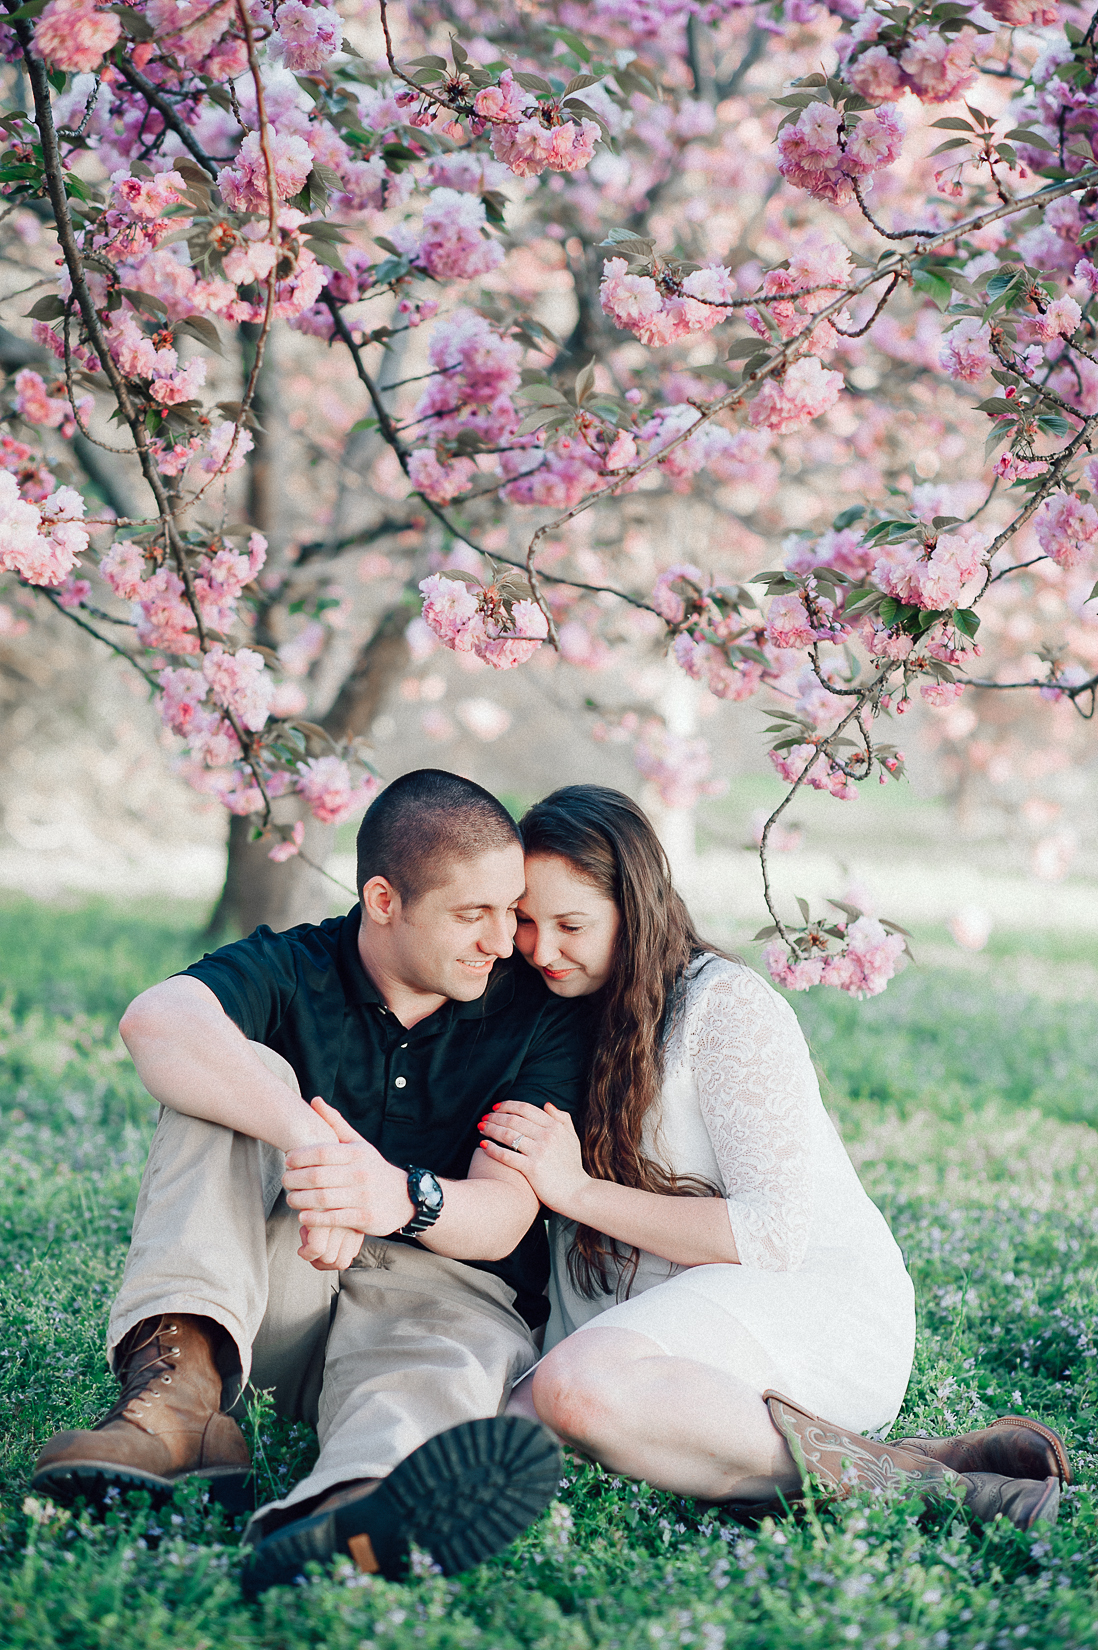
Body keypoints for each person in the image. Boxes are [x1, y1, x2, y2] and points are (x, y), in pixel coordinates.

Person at [32, 769, 597, 1595]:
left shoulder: (536, 1016)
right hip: (275, 1297)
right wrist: (309, 1141)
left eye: (509, 910)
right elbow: (154, 1020)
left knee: (440, 1360)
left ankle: (346, 1514)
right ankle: (177, 1404)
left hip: (439, 1299)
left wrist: (391, 1194)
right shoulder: (295, 965)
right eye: (472, 915)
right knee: (227, 1065)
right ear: (383, 899)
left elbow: (504, 1217)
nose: (504, 940)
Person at [481, 785, 1070, 1529]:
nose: (540, 949)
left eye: (571, 924)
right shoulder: (550, 1012)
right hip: (655, 1325)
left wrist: (574, 1190)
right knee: (501, 1434)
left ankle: (920, 1486)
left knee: (577, 1391)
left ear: (637, 913)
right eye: (526, 922)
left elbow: (772, 1236)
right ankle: (894, 1457)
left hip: (803, 1301)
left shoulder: (722, 1007)